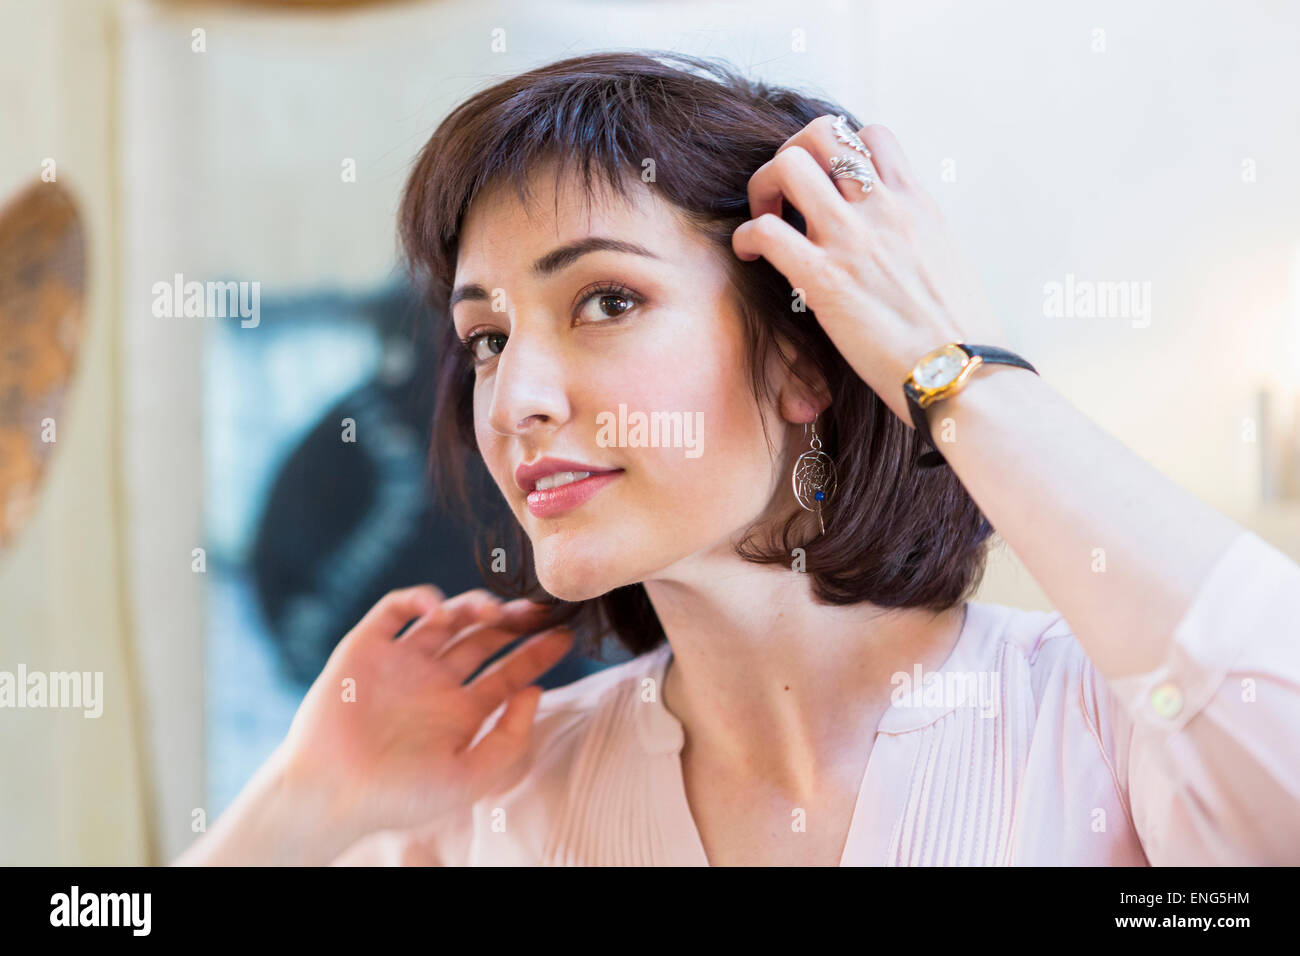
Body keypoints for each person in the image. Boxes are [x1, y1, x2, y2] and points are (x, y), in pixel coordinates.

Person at [175, 51, 1300, 867]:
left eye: (606, 299)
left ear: (809, 351)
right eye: (486, 337)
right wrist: (299, 805)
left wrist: (951, 366)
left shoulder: (1103, 733)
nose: (513, 396)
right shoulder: (479, 814)